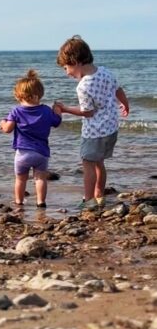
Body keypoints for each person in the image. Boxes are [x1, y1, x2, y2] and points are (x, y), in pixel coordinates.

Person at [54, 35, 130, 210]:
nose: (67, 73)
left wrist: (64, 109)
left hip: (94, 133)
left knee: (88, 164)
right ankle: (99, 195)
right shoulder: (105, 72)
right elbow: (118, 89)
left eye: (66, 67)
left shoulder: (83, 86)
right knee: (99, 163)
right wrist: (125, 104)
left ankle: (88, 200)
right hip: (111, 129)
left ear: (76, 61)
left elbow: (87, 112)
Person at [0, 69, 62, 208]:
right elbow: (57, 122)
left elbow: (8, 129)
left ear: (18, 95)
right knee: (40, 179)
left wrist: (3, 123)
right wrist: (57, 110)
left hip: (23, 154)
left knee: (20, 179)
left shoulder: (16, 111)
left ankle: (19, 202)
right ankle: (41, 202)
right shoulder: (46, 110)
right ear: (39, 94)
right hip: (41, 153)